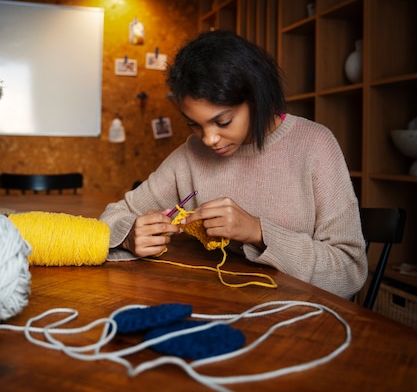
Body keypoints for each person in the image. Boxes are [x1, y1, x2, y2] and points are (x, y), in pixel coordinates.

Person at [100, 30, 367, 299]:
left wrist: (258, 231)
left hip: (300, 320)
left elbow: (348, 273)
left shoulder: (314, 144)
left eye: (223, 121)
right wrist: (129, 236)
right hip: (216, 307)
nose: (209, 139)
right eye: (194, 124)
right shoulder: (191, 154)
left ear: (256, 97)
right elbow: (112, 218)